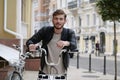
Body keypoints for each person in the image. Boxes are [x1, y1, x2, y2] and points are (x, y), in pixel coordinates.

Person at [26, 9, 77, 75]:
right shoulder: (45, 30)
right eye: (56, 19)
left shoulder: (69, 32)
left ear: (65, 21)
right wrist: (31, 45)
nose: (58, 21)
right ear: (52, 20)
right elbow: (30, 41)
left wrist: (66, 43)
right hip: (44, 70)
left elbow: (74, 45)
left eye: (61, 19)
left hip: (61, 71)